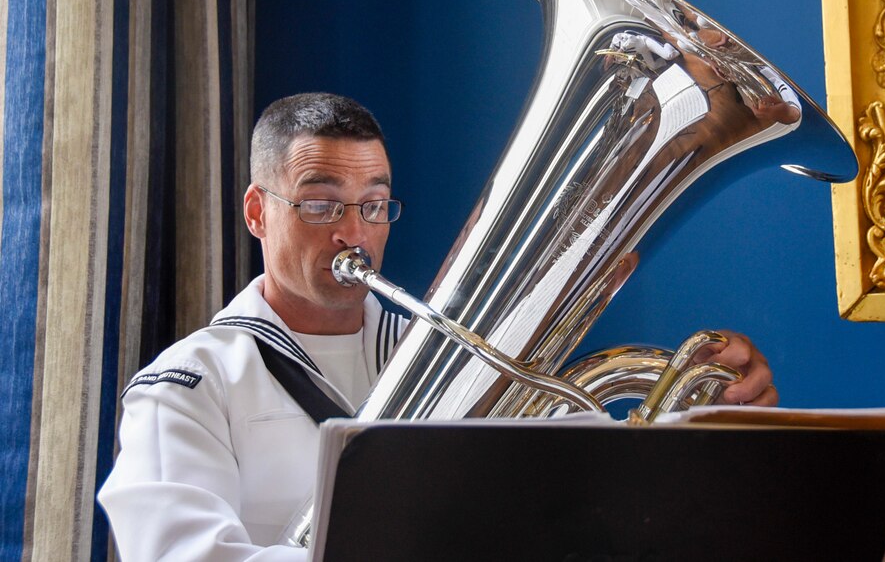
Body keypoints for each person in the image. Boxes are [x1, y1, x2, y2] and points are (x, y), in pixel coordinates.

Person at [98, 92, 778, 559]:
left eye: (373, 205)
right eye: (320, 204)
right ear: (256, 210)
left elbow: (593, 499)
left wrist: (706, 424)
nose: (351, 233)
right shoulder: (187, 387)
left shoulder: (452, 360)